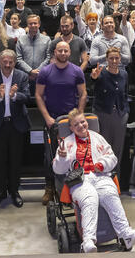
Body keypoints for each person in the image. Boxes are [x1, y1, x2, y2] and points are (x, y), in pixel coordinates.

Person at [52, 110, 135, 253]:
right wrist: (62, 157)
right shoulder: (66, 143)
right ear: (71, 128)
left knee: (110, 193)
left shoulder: (98, 138)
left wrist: (102, 164)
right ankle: (88, 241)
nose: (81, 126)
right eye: (76, 124)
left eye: (82, 122)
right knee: (90, 198)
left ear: (87, 122)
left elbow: (112, 158)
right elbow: (58, 169)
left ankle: (126, 234)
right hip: (79, 180)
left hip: (100, 175)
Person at [37, 41, 88, 204]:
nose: (64, 53)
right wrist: (47, 118)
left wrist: (78, 116)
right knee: (50, 156)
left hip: (70, 122)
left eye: (66, 50)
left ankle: (71, 188)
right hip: (52, 121)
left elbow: (83, 94)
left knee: (71, 155)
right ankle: (50, 188)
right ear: (55, 52)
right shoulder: (45, 72)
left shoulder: (77, 71)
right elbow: (38, 95)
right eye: (61, 50)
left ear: (69, 52)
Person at [0, 50, 30, 208]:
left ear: (15, 62)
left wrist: (14, 96)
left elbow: (27, 97)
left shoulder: (22, 76)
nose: (7, 65)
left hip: (16, 125)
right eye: (5, 62)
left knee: (16, 160)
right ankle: (1, 191)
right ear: (0, 62)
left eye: (10, 62)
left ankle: (15, 191)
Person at [90, 48, 129, 166]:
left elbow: (125, 94)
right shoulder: (100, 73)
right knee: (104, 148)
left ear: (120, 59)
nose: (114, 61)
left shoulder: (124, 74)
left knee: (118, 149)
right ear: (106, 59)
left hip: (120, 115)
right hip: (103, 114)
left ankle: (116, 179)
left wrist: (126, 112)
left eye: (116, 58)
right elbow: (93, 87)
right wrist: (93, 77)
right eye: (111, 58)